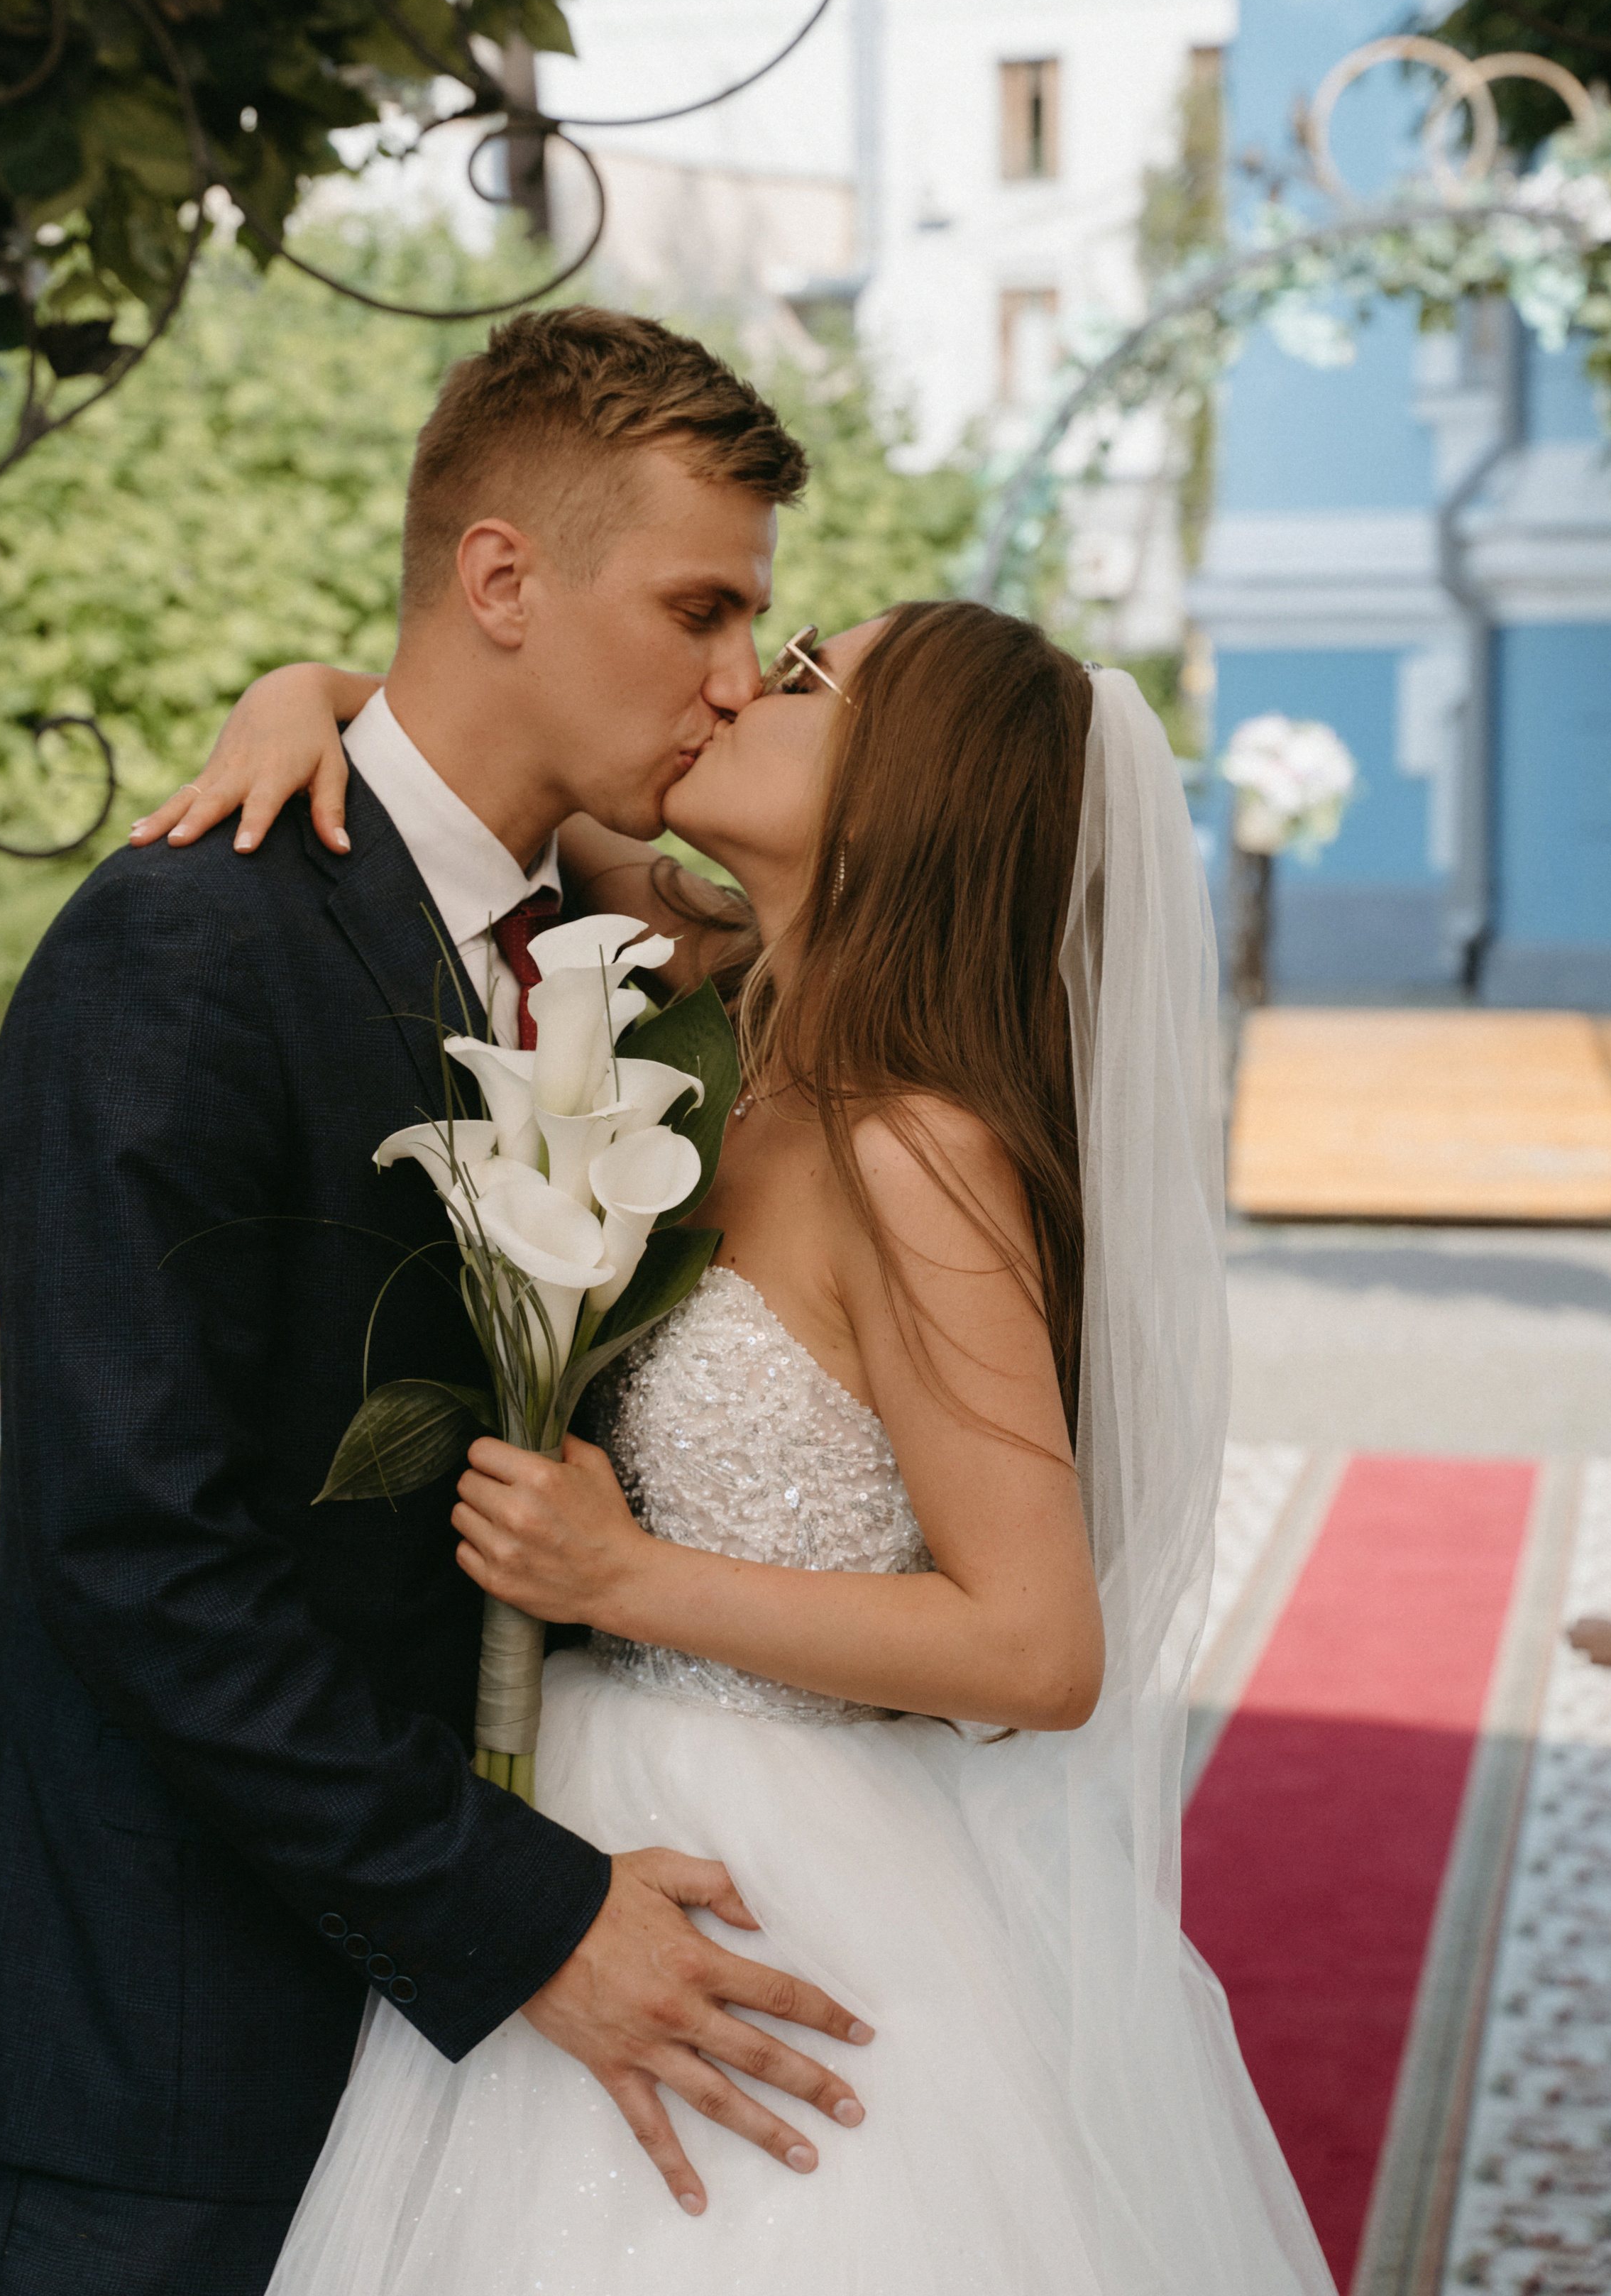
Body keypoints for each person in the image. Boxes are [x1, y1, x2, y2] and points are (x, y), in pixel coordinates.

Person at [0, 310, 880, 2296]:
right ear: (502, 577)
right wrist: (530, 1918)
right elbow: (139, 1550)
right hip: (184, 2039)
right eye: (696, 608)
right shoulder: (184, 945)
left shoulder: (601, 956)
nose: (735, 677)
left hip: (459, 2054)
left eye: (755, 622)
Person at [155, 600, 1338, 2293]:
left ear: (899, 788)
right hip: (568, 1831)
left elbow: (1034, 1643)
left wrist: (621, 1575)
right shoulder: (711, 996)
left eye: (798, 678)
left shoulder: (911, 1145)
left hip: (783, 1872)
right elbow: (480, 740)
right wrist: (298, 693)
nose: (734, 683)